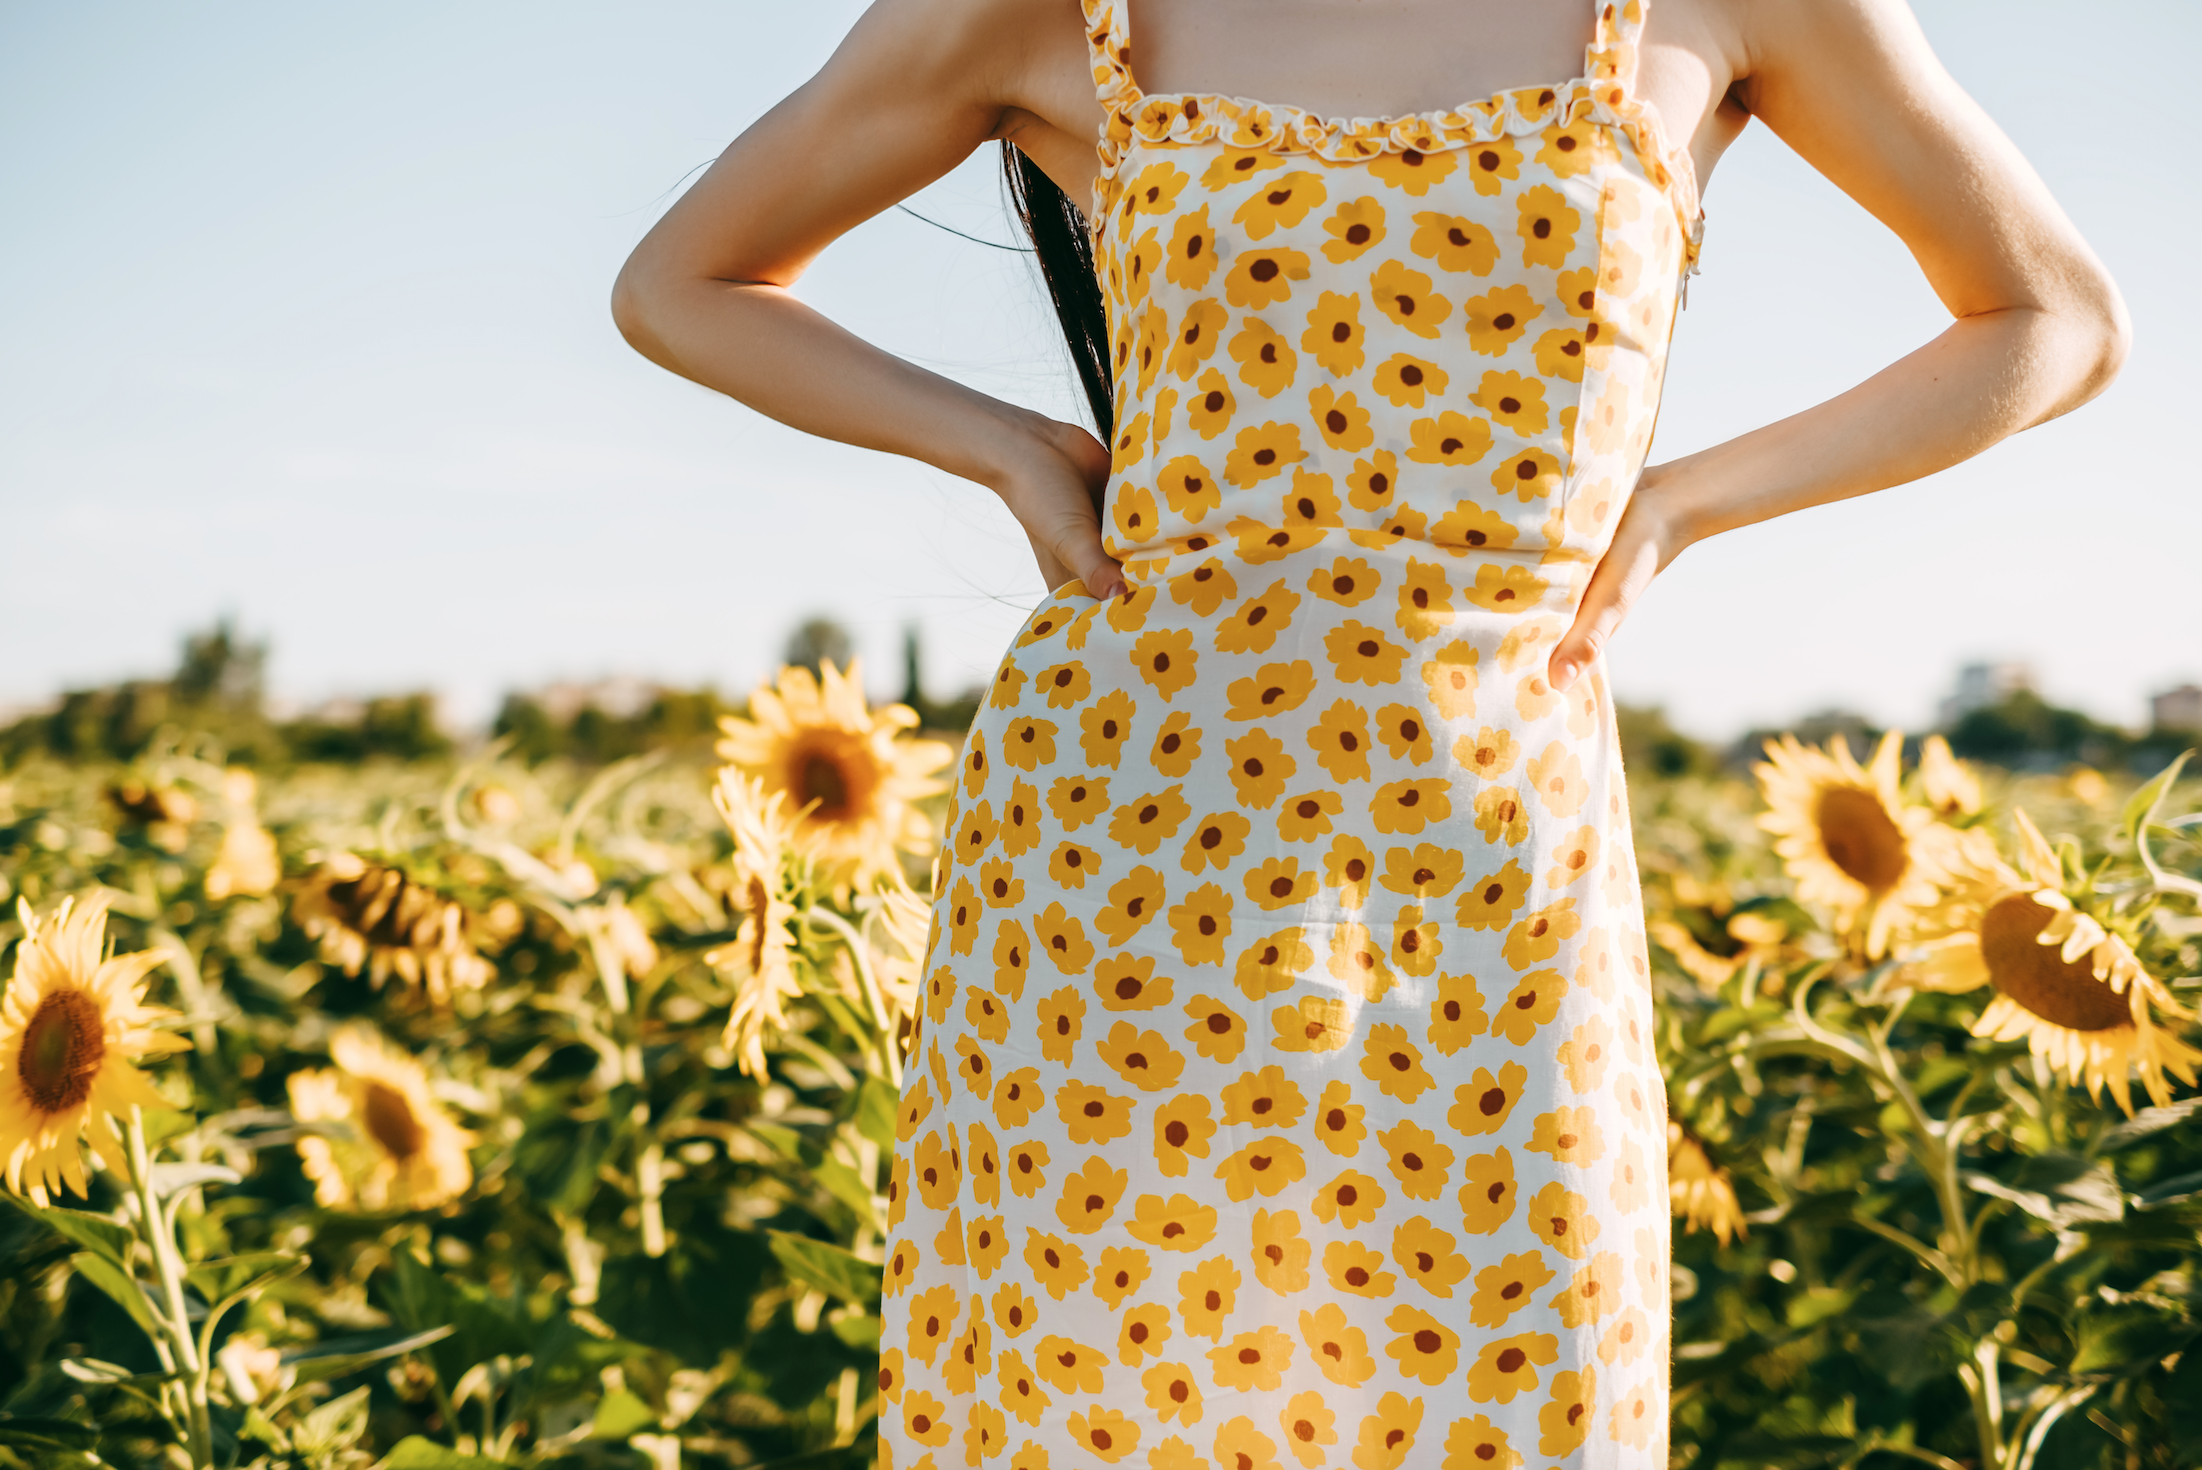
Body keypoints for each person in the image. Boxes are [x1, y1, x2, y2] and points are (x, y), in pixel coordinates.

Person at [612, 0, 2125, 1461]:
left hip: (1494, 849)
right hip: (1113, 854)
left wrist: (1679, 501)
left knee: (1506, 1386)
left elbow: (2048, 316)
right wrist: (1001, 443)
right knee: (1106, 1397)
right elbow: (683, 279)